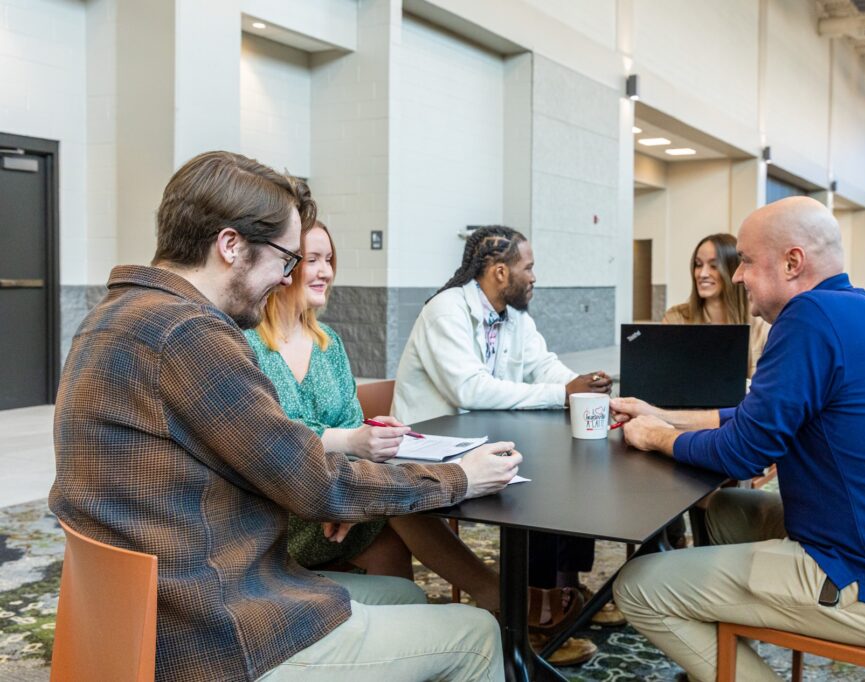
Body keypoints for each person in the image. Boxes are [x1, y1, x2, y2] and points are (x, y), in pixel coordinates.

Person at [49, 151, 522, 682]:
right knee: (476, 635)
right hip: (216, 629)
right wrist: (462, 476)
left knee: (401, 593)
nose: (287, 278)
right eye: (286, 258)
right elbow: (315, 485)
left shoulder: (110, 317)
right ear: (230, 246)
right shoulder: (190, 336)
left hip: (150, 611)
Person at [609, 196, 865, 682]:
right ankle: (722, 661)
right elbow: (753, 416)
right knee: (723, 510)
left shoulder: (807, 318)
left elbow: (745, 450)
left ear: (792, 262)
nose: (737, 275)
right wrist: (665, 416)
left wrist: (657, 437)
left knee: (637, 586)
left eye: (744, 259)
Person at [244, 220, 500, 612]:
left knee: (392, 495)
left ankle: (481, 598)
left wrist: (371, 434)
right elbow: (269, 436)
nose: (325, 271)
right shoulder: (245, 343)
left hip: (337, 497)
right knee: (395, 496)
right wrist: (351, 450)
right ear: (282, 266)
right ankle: (493, 592)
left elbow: (348, 423)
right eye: (312, 259)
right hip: (280, 511)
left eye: (329, 260)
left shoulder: (329, 343)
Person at [392, 225, 617, 665]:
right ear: (499, 271)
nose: (534, 276)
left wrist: (581, 385)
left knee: (565, 475)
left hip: (482, 437)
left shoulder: (514, 317)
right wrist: (562, 394)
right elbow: (470, 391)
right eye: (527, 267)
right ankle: (526, 620)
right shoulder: (446, 310)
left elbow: (542, 366)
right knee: (535, 491)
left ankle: (556, 599)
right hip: (433, 445)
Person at [661, 232, 769, 378]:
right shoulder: (675, 318)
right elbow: (664, 377)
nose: (702, 273)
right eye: (698, 265)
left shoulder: (763, 325)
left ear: (734, 270)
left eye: (714, 266)